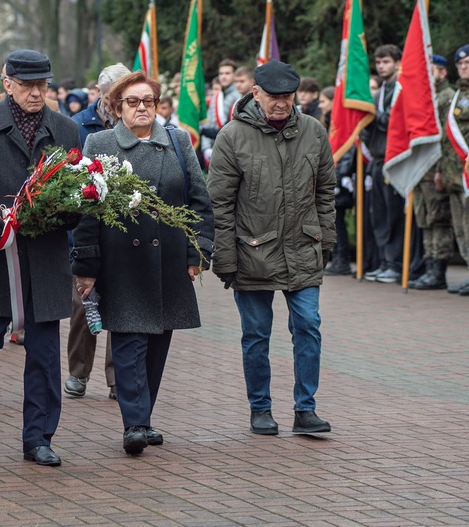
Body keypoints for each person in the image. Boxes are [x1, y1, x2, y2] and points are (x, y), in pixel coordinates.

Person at [71, 70, 214, 454]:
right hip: (121, 263)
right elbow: (87, 210)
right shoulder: (100, 143)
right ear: (117, 107)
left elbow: (199, 201)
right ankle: (133, 422)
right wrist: (86, 266)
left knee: (157, 343)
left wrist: (197, 253)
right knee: (130, 341)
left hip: (168, 261)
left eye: (148, 102)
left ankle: (144, 416)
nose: (141, 109)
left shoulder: (178, 140)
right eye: (133, 102)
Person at [0, 49, 80, 466]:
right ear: (7, 83)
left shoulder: (66, 130)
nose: (36, 93)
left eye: (43, 85)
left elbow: (78, 189)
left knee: (43, 357)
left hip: (44, 260)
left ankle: (38, 438)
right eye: (27, 85)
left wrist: (73, 207)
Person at [209, 60, 336, 436]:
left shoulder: (313, 131)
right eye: (273, 97)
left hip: (303, 248)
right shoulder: (233, 136)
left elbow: (326, 192)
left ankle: (305, 408)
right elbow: (220, 203)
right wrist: (226, 258)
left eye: (287, 97)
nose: (281, 104)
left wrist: (325, 239)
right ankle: (260, 408)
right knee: (256, 336)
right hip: (252, 252)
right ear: (256, 94)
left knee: (309, 327)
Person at [64, 62, 130, 400]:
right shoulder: (79, 125)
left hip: (124, 231)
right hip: (86, 228)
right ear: (101, 95)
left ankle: (118, 377)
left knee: (120, 306)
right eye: (116, 96)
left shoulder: (138, 124)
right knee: (83, 303)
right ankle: (78, 371)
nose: (123, 103)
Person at [407, 55, 455, 290]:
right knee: (425, 218)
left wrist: (439, 170)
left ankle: (439, 270)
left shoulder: (447, 98)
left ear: (443, 73)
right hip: (421, 169)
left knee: (439, 219)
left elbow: (446, 139)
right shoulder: (426, 98)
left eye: (432, 70)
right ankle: (429, 268)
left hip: (437, 168)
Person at [363, 44, 404, 283]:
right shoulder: (379, 93)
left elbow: (394, 121)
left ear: (397, 63)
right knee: (378, 214)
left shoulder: (400, 89)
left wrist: (371, 111)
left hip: (393, 159)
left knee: (393, 216)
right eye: (378, 62)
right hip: (377, 159)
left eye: (386, 61)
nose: (381, 66)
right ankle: (384, 261)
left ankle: (396, 264)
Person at [443, 44, 469, 295]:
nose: (463, 67)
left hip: (467, 173)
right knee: (461, 227)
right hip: (454, 173)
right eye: (460, 64)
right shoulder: (457, 96)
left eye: (467, 63)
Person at [320, 86, 354, 276]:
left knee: (337, 222)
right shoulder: (329, 122)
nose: (320, 105)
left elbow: (345, 152)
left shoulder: (341, 123)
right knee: (333, 221)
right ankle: (338, 259)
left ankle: (343, 260)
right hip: (332, 177)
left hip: (339, 180)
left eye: (324, 101)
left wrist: (338, 179)